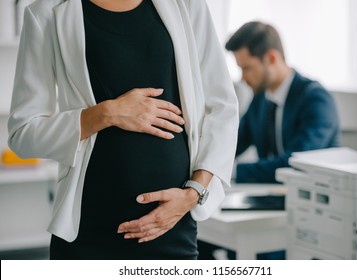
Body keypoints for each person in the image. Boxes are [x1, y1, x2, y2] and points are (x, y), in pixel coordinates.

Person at [7, 0, 238, 260]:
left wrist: (194, 193)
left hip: (171, 225)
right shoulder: (45, 13)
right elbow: (23, 133)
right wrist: (108, 113)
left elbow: (222, 109)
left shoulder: (187, 4)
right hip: (89, 230)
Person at [198, 21, 340, 260]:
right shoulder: (261, 99)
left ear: (271, 58)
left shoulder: (315, 99)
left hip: (311, 213)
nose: (243, 78)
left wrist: (231, 171)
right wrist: (206, 165)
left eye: (247, 68)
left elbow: (294, 164)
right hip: (268, 204)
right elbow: (232, 142)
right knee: (200, 239)